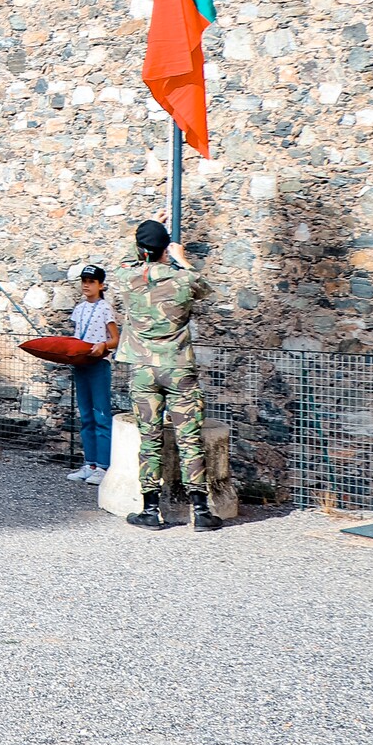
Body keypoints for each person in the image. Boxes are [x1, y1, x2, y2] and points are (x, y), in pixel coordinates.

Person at [122, 220, 219, 532]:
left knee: (148, 439)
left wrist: (152, 241)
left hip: (142, 370)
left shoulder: (128, 278)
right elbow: (205, 288)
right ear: (166, 250)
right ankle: (201, 512)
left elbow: (132, 256)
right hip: (178, 368)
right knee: (190, 438)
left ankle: (150, 510)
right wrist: (180, 257)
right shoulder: (182, 279)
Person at [65, 264, 119, 486]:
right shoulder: (78, 309)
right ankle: (90, 463)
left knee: (101, 415)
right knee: (85, 415)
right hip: (81, 364)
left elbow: (115, 339)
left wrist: (102, 345)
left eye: (91, 281)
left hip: (98, 364)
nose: (86, 285)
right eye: (84, 281)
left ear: (101, 285)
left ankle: (104, 465)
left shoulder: (106, 308)